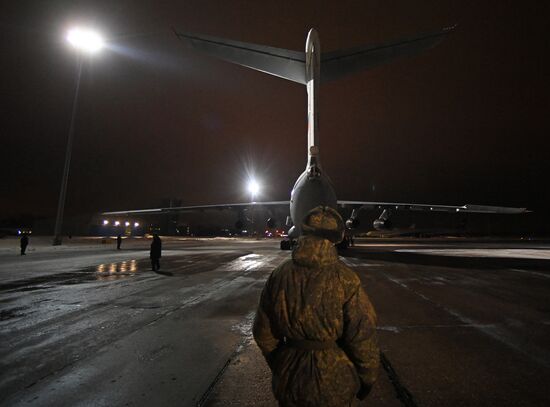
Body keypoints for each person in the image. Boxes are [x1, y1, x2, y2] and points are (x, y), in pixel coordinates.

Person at [253, 206, 379, 407]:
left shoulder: (279, 275)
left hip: (290, 381)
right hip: (335, 382)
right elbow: (362, 335)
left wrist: (281, 363)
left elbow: (262, 332)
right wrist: (367, 377)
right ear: (336, 236)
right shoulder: (345, 279)